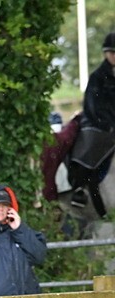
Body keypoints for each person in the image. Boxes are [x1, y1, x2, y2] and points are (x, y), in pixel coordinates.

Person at [68, 32, 115, 215]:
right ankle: (79, 186)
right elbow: (91, 105)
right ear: (106, 53)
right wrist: (106, 123)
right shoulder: (98, 76)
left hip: (112, 124)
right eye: (112, 53)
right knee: (91, 144)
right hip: (96, 123)